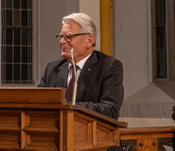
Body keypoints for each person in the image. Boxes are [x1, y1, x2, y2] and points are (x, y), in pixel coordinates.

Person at [38, 13, 124, 151]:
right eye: (60, 37)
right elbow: (38, 104)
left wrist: (69, 108)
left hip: (99, 143)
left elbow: (110, 110)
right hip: (57, 142)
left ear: (89, 40)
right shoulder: (53, 68)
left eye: (68, 37)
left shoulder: (108, 66)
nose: (61, 42)